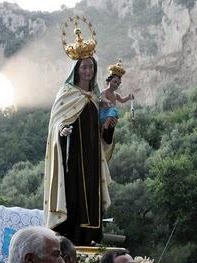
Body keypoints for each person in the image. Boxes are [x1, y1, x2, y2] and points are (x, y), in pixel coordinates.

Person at [44, 18, 114, 246]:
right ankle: (72, 241)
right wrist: (62, 130)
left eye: (91, 66)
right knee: (74, 198)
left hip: (92, 160)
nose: (88, 70)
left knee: (93, 200)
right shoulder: (66, 94)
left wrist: (108, 130)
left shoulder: (96, 99)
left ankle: (92, 240)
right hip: (72, 159)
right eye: (84, 66)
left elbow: (103, 136)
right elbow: (56, 123)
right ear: (76, 69)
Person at [99, 60, 133, 145]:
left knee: (114, 114)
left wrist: (129, 97)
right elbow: (102, 98)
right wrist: (107, 101)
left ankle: (108, 135)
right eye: (114, 82)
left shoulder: (115, 94)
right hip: (104, 114)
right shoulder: (105, 91)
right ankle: (105, 126)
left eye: (118, 84)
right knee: (113, 109)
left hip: (111, 117)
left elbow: (122, 100)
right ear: (109, 81)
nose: (116, 85)